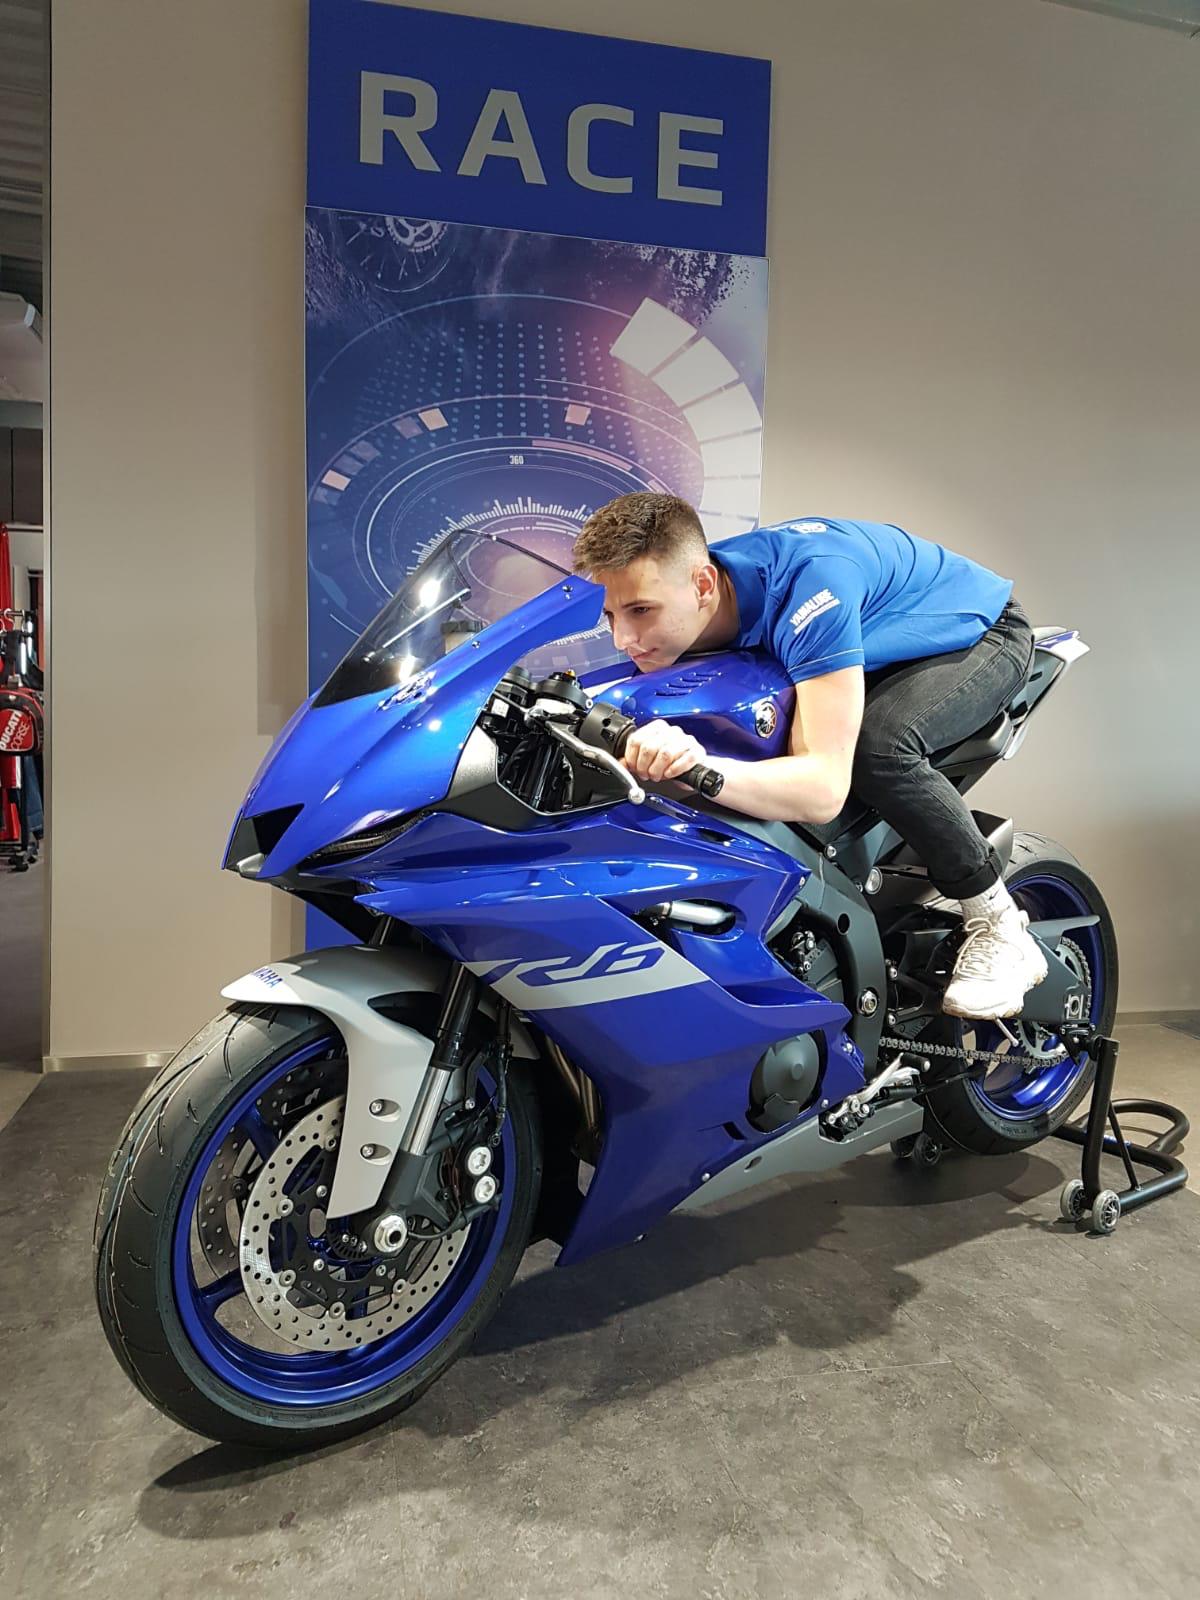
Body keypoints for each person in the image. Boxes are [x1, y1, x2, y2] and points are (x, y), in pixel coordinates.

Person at [571, 493, 1045, 1023]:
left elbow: (823, 790)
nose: (623, 638)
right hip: (866, 636)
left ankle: (999, 923)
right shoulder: (685, 595)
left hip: (978, 634)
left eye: (640, 611)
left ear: (703, 586)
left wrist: (694, 769)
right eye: (610, 615)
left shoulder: (810, 593)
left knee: (879, 748)